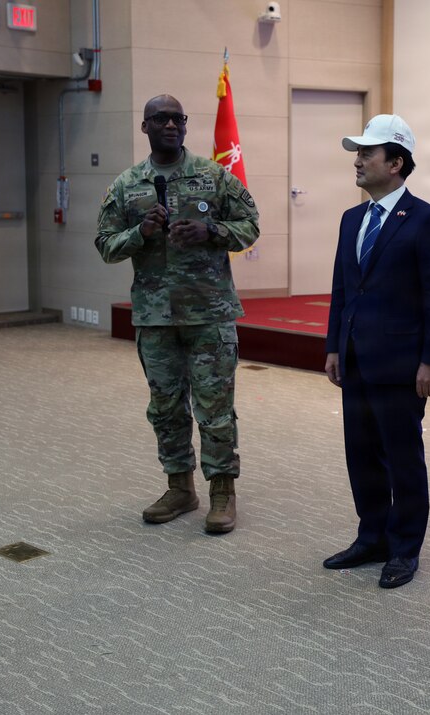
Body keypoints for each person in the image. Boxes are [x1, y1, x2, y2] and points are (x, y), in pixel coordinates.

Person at [95, 94, 259, 534]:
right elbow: (106, 245)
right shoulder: (127, 184)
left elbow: (250, 226)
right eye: (161, 119)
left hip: (209, 313)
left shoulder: (213, 176)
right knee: (166, 407)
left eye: (178, 118)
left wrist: (211, 231)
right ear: (145, 127)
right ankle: (180, 487)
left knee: (215, 407)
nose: (171, 125)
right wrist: (140, 232)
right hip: (155, 318)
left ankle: (222, 492)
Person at [322, 114, 430, 589]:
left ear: (396, 162)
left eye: (367, 153)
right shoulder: (352, 219)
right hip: (355, 358)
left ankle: (404, 548)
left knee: (402, 458)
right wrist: (334, 347)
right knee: (360, 454)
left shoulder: (426, 220)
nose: (357, 161)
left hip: (401, 364)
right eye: (357, 153)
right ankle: (372, 537)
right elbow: (343, 289)